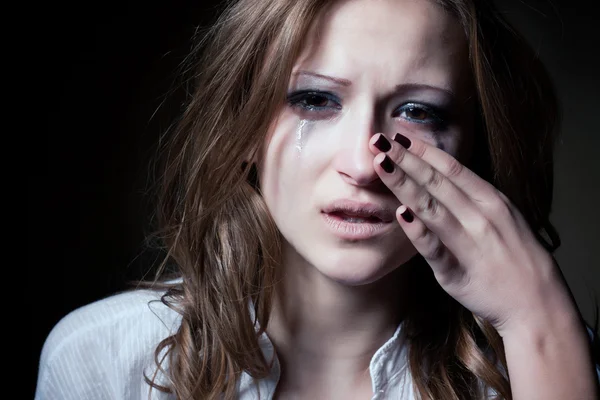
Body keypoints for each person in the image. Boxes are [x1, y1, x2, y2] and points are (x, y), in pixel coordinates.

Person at [35, 0, 600, 399]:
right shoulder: (100, 361)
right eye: (314, 100)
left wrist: (537, 318)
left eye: (418, 112)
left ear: (473, 147)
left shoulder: (542, 364)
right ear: (245, 128)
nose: (361, 165)